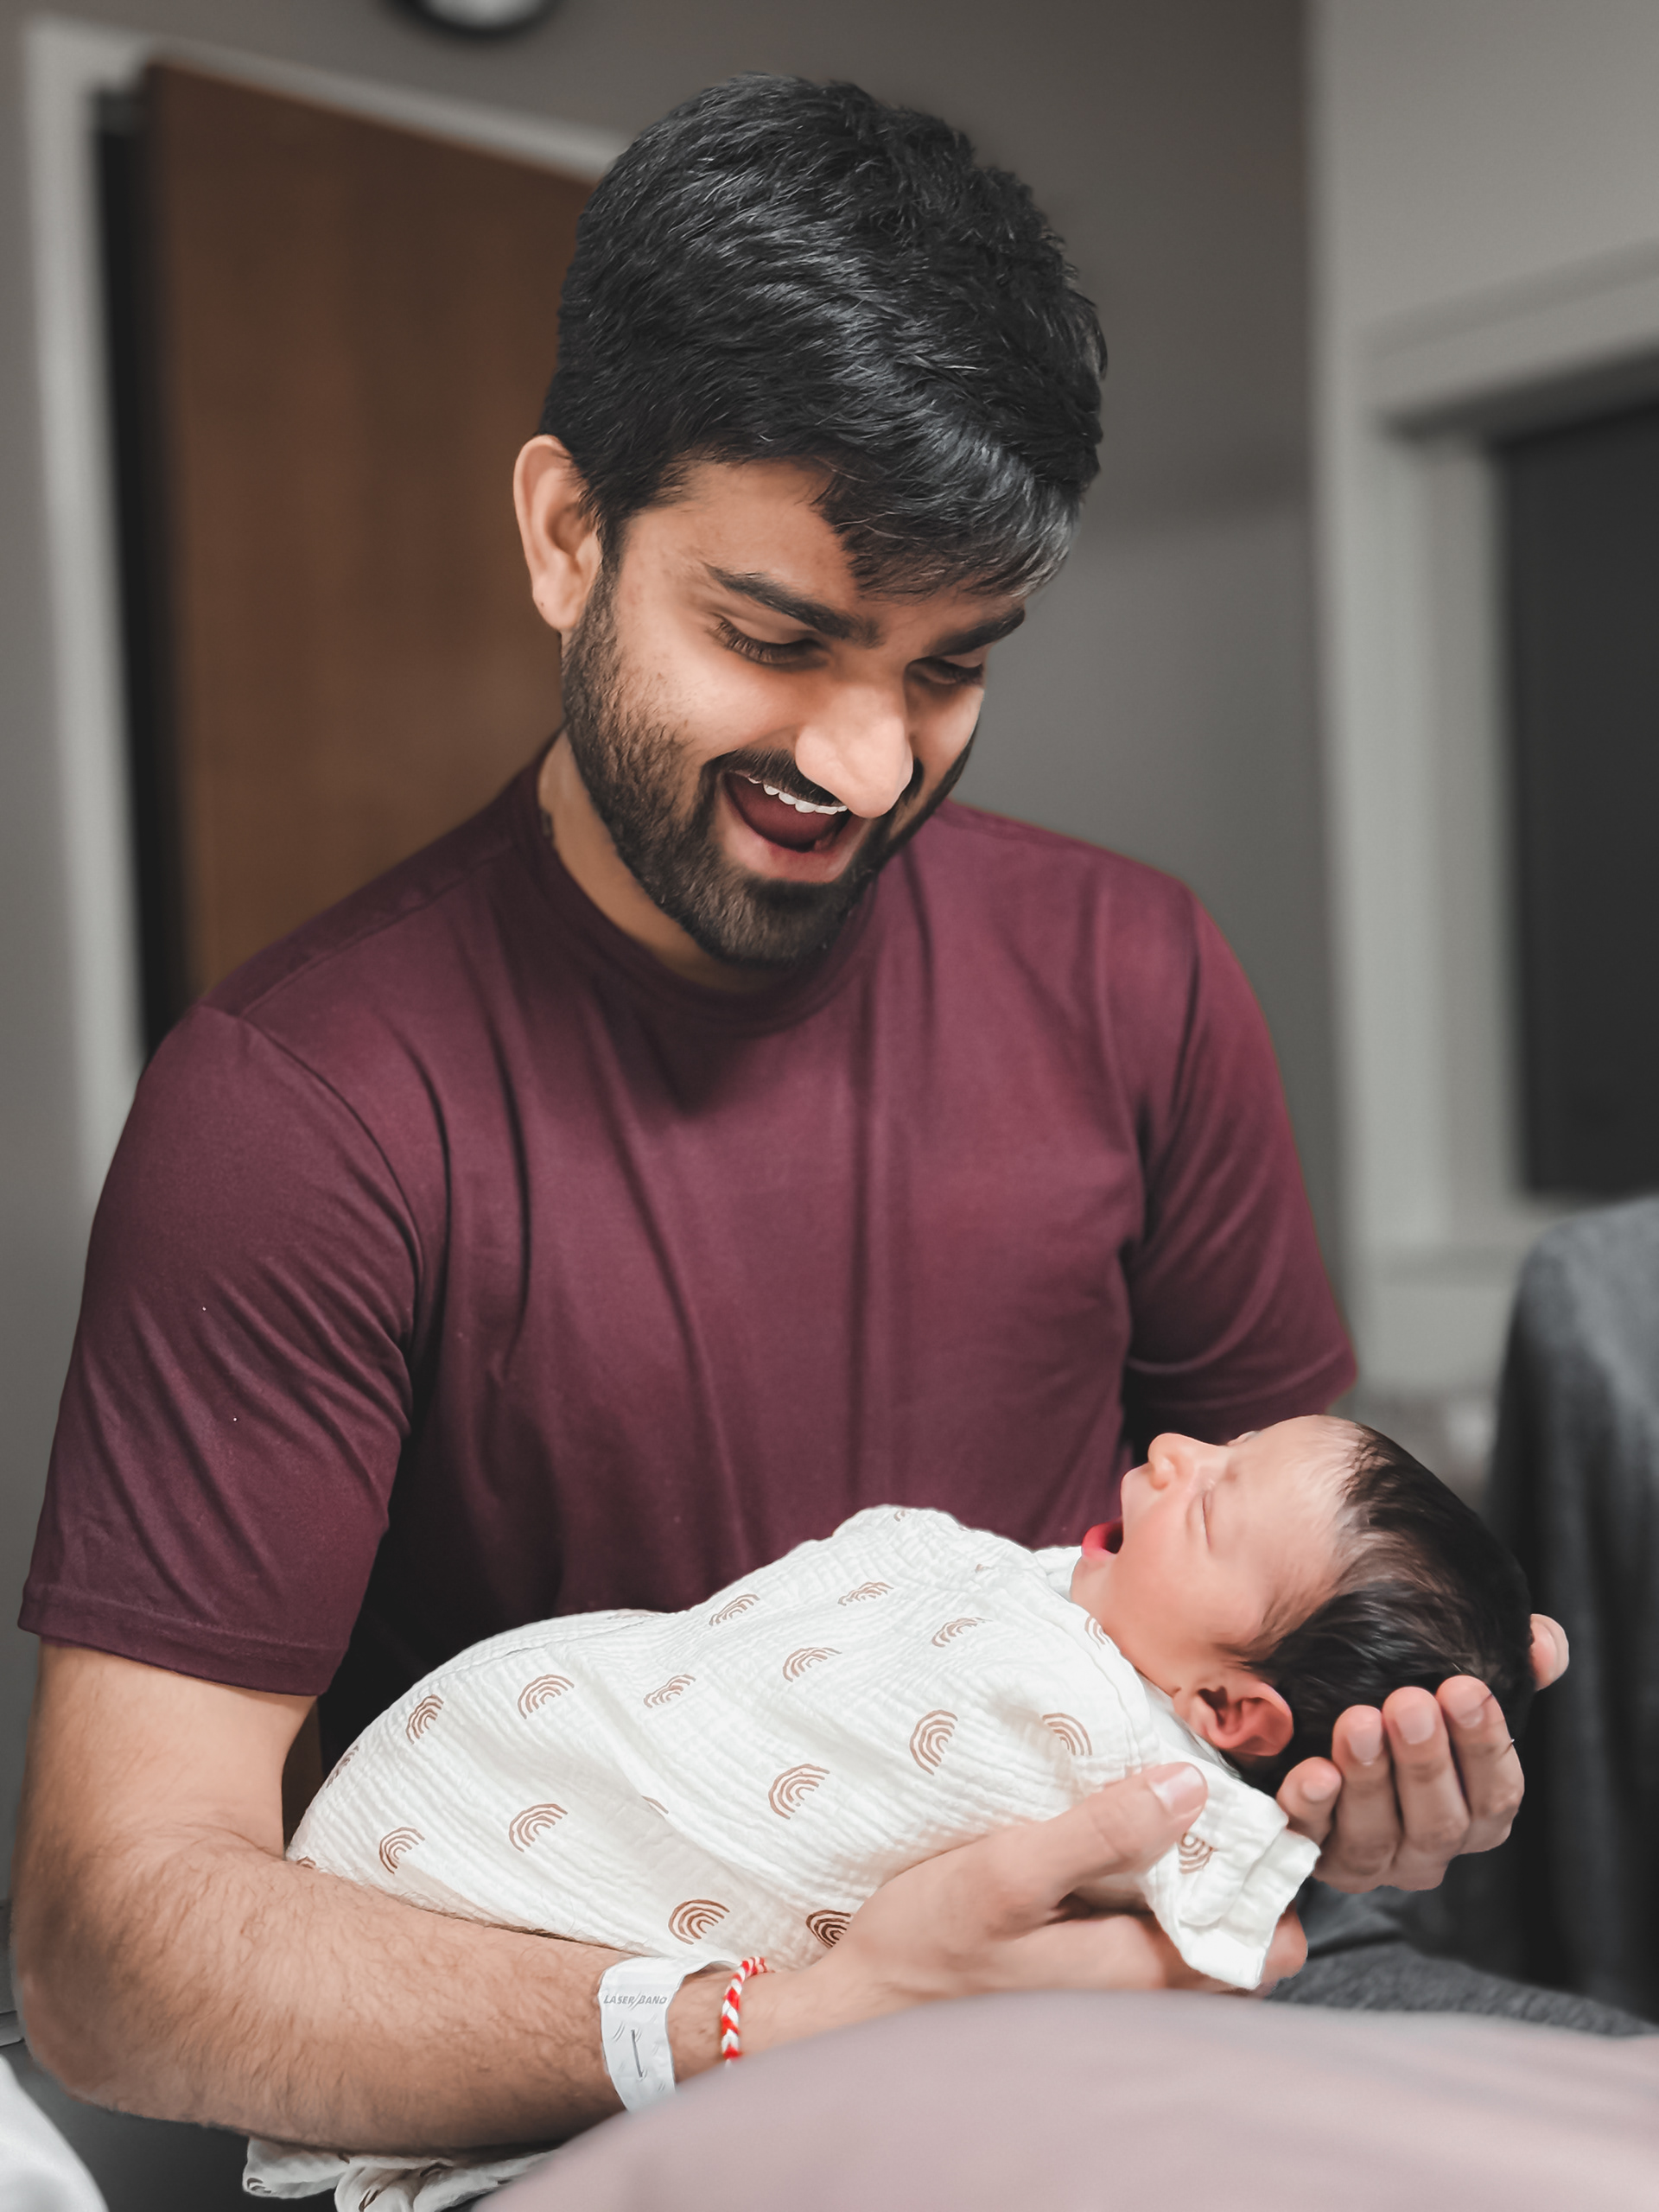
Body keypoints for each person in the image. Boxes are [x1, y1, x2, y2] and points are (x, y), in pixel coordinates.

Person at [13, 76, 1563, 2158]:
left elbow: (1266, 1636)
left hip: (1149, 2013)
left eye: (949, 669)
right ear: (569, 534)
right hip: (618, 2082)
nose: (860, 759)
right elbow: (113, 1950)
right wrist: (784, 2013)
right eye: (776, 636)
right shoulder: (299, 1110)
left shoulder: (1137, 978)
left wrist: (1373, 1782)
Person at [245, 1414, 1535, 2207]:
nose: (1169, 1451)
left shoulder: (1100, 1741)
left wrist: (1290, 1851)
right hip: (506, 1880)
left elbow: (1221, 1904)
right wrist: (790, 2016)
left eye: (1206, 1501)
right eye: (1219, 1446)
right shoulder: (1032, 1597)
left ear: (1223, 1712)